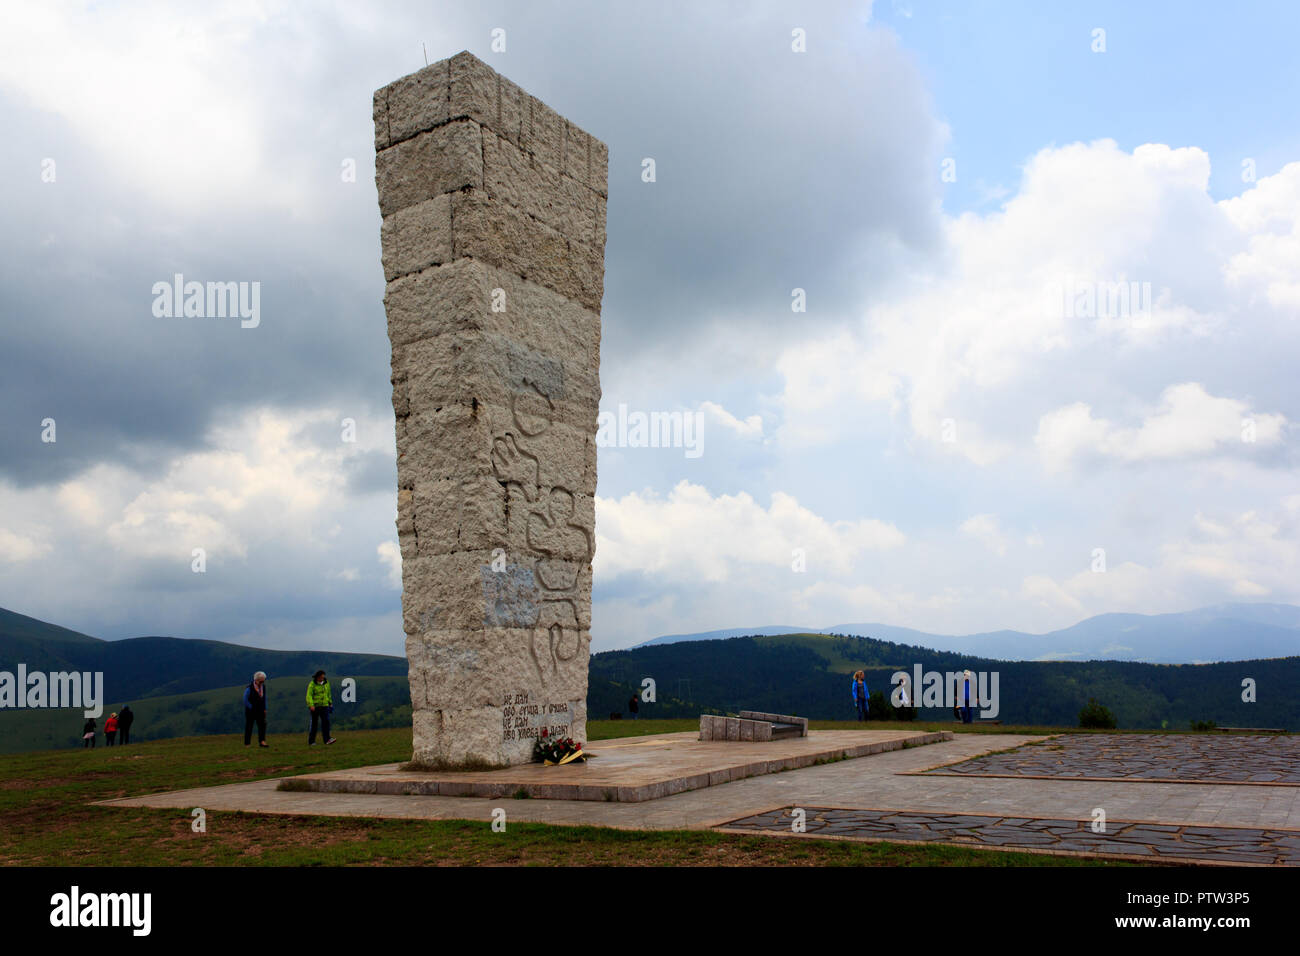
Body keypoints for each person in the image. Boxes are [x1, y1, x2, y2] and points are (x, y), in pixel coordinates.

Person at [306, 670, 336, 745]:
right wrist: (311, 705)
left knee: (326, 722)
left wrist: (330, 703)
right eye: (321, 677)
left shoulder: (326, 683)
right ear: (318, 677)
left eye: (323, 677)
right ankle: (311, 741)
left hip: (325, 705)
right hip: (315, 706)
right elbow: (309, 695)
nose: (322, 678)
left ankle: (327, 739)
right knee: (314, 724)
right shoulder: (312, 684)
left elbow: (328, 693)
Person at [243, 671, 270, 747]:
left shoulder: (263, 687)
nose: (262, 682)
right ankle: (247, 743)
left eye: (263, 680)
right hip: (251, 711)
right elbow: (245, 700)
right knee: (249, 726)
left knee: (262, 725)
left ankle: (262, 741)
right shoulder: (249, 688)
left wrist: (265, 708)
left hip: (260, 710)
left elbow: (264, 698)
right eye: (261, 681)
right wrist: (251, 707)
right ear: (256, 680)